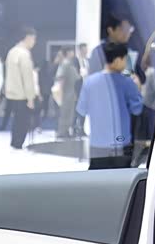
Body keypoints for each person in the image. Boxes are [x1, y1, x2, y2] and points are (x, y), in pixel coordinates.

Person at [77, 40, 144, 169]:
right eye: (125, 59)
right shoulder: (127, 82)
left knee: (98, 176)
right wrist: (138, 87)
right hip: (120, 143)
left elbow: (82, 109)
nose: (126, 63)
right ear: (118, 60)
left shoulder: (89, 82)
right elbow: (137, 109)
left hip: (97, 143)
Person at [4, 28, 39, 149]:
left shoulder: (12, 52)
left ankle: (15, 142)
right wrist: (31, 97)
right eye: (34, 39)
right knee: (23, 121)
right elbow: (27, 77)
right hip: (22, 94)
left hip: (12, 92)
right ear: (28, 38)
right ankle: (18, 143)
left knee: (16, 120)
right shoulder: (24, 54)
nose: (34, 42)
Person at [55, 45, 81, 138]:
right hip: (66, 93)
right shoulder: (65, 64)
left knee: (69, 113)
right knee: (65, 113)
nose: (73, 53)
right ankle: (62, 132)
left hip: (70, 92)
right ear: (68, 52)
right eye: (71, 51)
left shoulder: (70, 63)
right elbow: (61, 78)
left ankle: (65, 131)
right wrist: (60, 93)